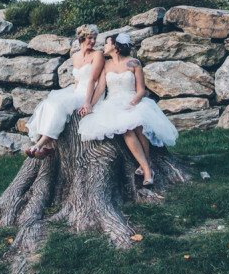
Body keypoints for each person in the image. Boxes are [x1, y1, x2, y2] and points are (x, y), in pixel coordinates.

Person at [78, 32, 178, 186]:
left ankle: (146, 167)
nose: (104, 46)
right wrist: (89, 104)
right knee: (126, 129)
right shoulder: (107, 64)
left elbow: (141, 90)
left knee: (138, 124)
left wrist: (132, 103)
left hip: (133, 100)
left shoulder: (134, 63)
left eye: (107, 43)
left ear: (115, 47)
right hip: (113, 103)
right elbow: (101, 88)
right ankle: (147, 169)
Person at [26, 24, 105, 158]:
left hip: (90, 94)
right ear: (81, 38)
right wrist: (72, 92)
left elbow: (92, 80)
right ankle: (48, 146)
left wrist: (88, 103)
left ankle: (39, 145)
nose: (93, 41)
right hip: (77, 90)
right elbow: (77, 79)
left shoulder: (98, 55)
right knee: (48, 103)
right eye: (90, 38)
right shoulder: (75, 56)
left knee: (60, 105)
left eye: (95, 38)